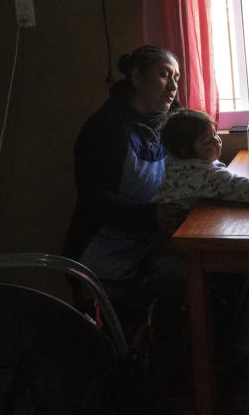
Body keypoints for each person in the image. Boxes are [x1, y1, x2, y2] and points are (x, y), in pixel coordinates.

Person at [64, 45, 183, 308]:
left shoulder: (171, 124)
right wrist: (151, 216)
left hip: (146, 242)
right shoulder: (104, 129)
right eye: (164, 75)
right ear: (137, 78)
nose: (173, 86)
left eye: (176, 78)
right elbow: (94, 198)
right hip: (103, 254)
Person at [154, 109, 249, 236]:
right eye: (207, 141)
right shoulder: (201, 174)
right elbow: (234, 185)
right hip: (183, 232)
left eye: (215, 133)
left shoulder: (178, 160)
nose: (216, 141)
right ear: (185, 151)